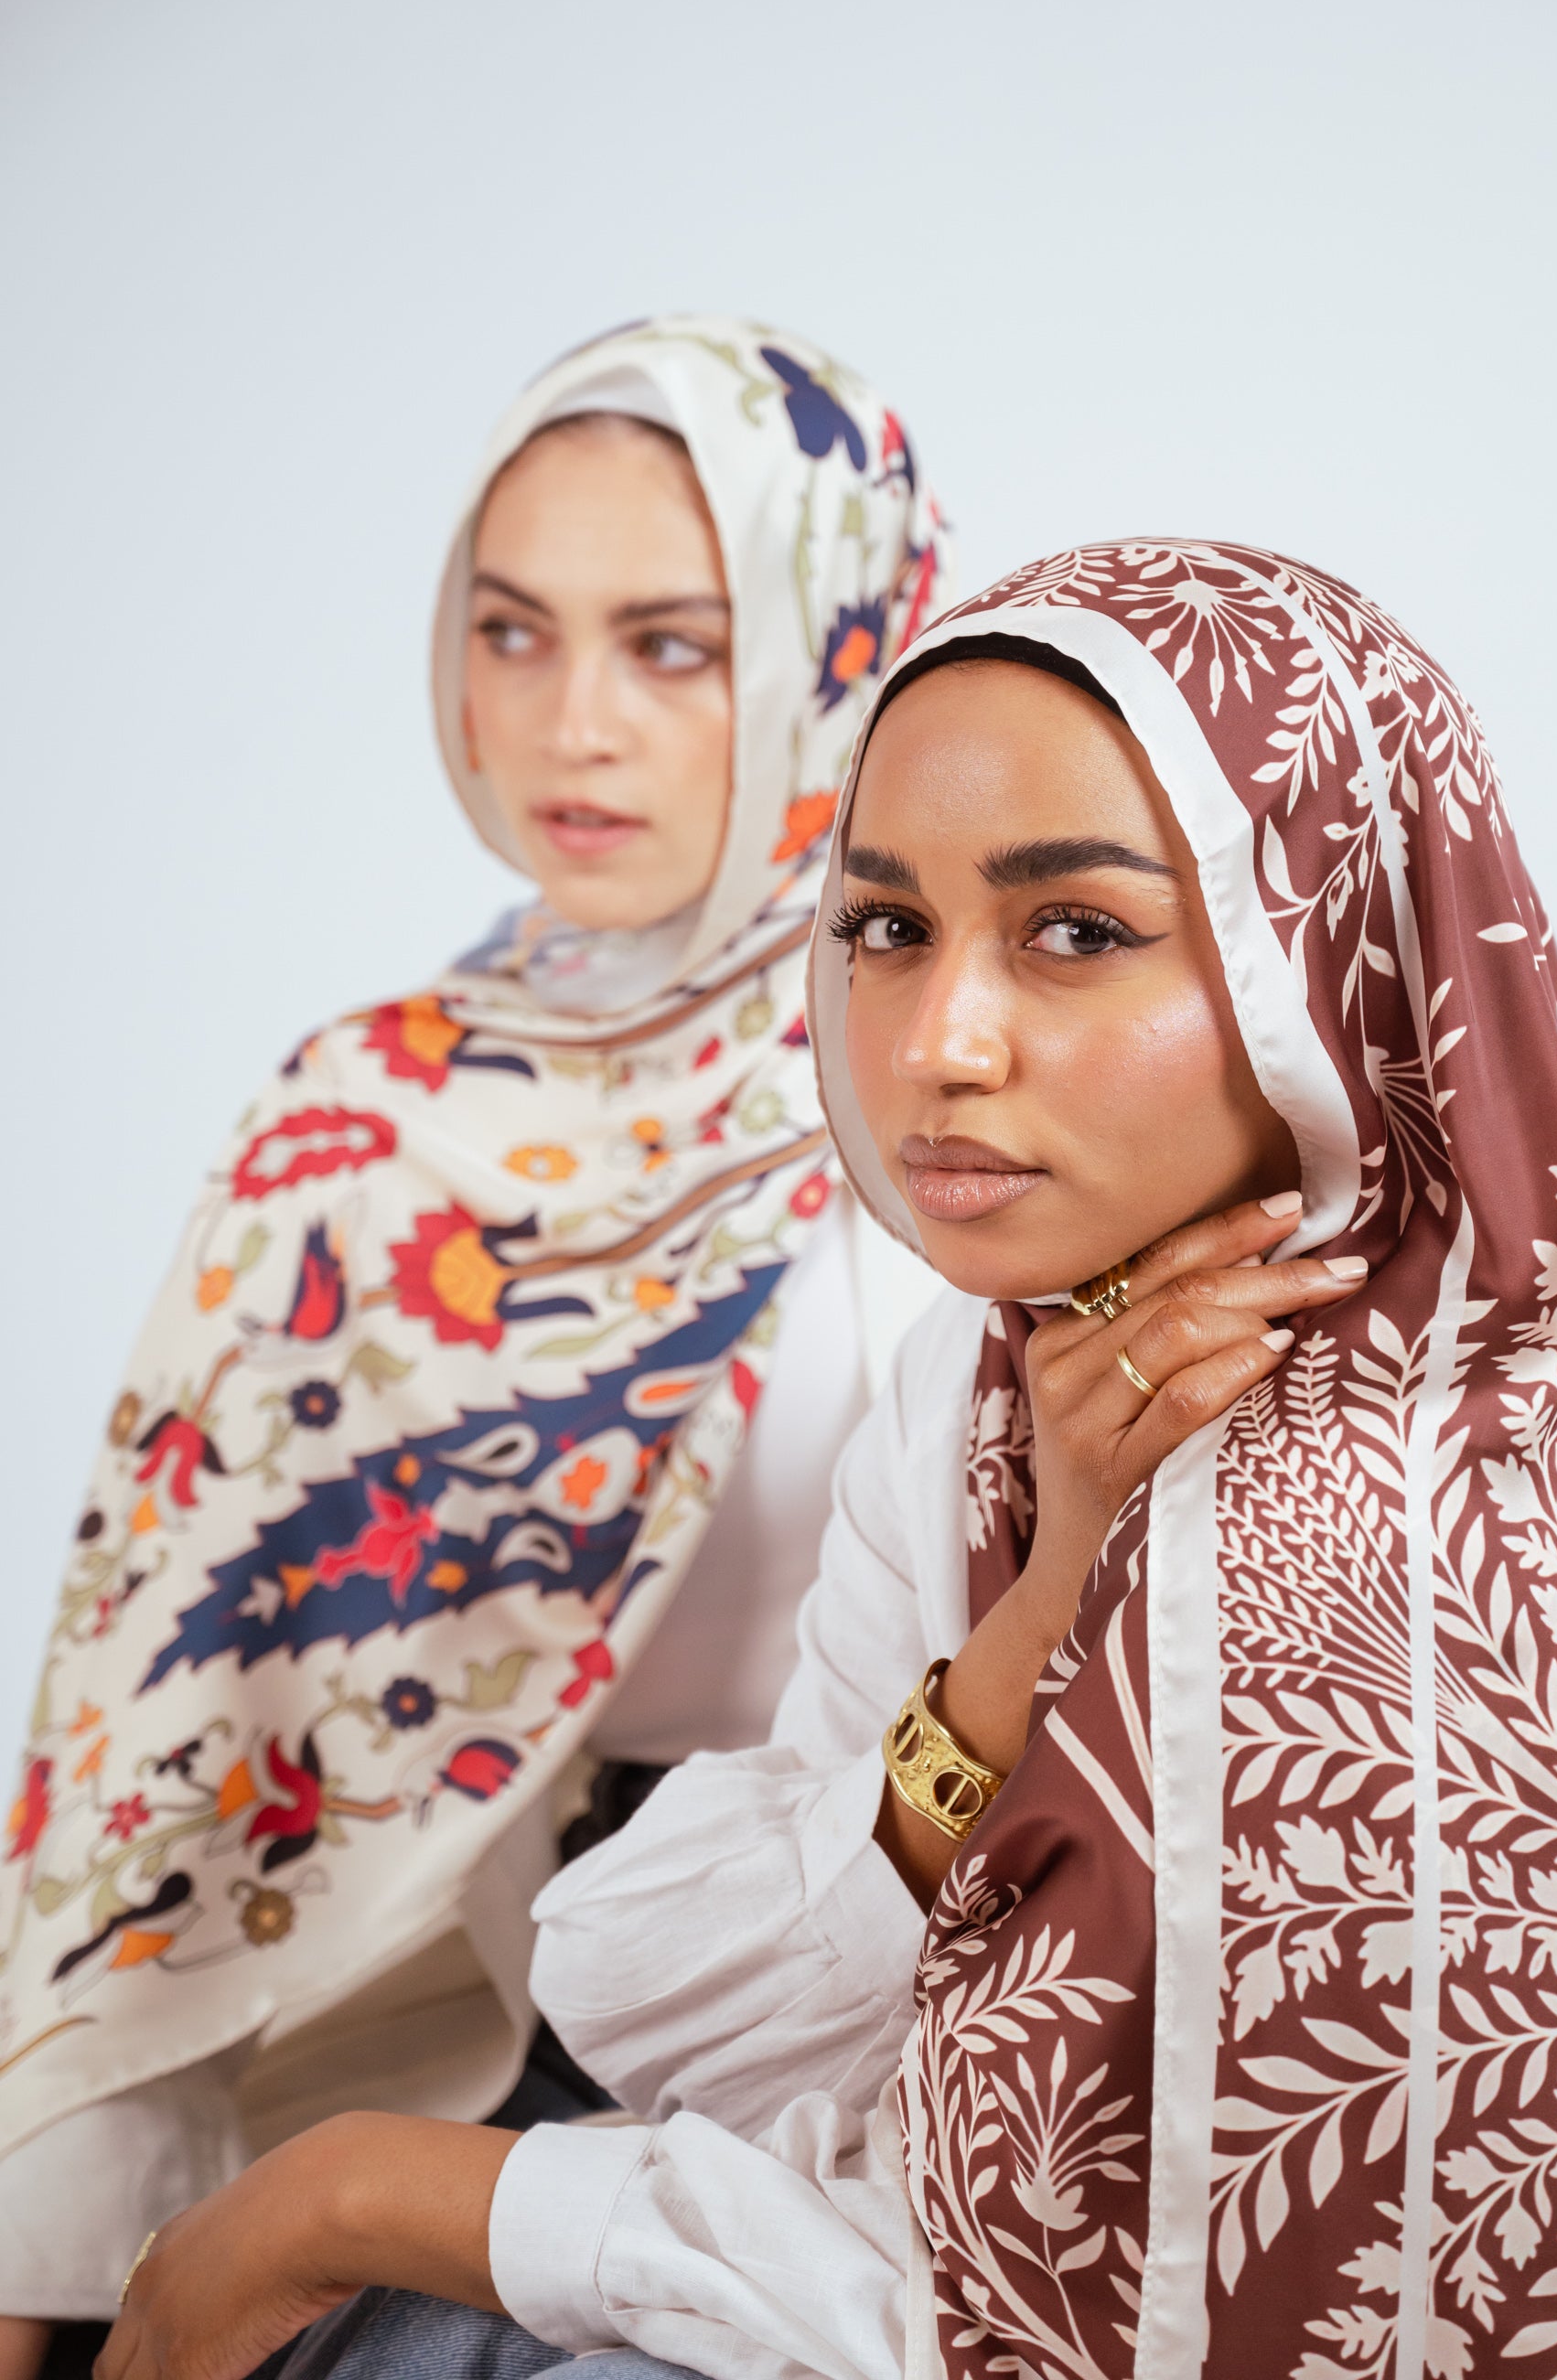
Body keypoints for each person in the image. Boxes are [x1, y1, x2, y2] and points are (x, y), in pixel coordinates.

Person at [95, 536, 1557, 2380]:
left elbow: (1126, 2315)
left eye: (1074, 930)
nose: (933, 1042)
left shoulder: (1449, 1519)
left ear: (1326, 960)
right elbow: (660, 2004)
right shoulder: (997, 1383)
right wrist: (1039, 1609)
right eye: (884, 926)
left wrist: (372, 2192)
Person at [0, 315, 949, 2380]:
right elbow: (157, 1770)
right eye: (511, 632)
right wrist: (53, 2259)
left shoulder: (962, 1085)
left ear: (838, 646)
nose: (568, 725)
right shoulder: (355, 1127)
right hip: (455, 2039)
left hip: (917, 2025)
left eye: (671, 645)